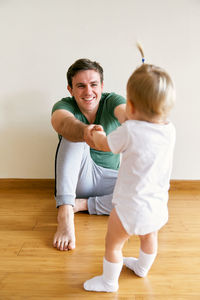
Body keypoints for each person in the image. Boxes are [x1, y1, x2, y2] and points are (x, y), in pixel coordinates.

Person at [84, 49, 176, 292]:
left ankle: (108, 282)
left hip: (129, 208)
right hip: (156, 205)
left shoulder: (131, 130)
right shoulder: (169, 130)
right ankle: (142, 268)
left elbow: (105, 146)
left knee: (113, 244)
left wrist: (99, 134)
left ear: (131, 105)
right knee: (149, 237)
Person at [51, 58, 126, 251]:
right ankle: (66, 212)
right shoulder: (63, 105)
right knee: (72, 135)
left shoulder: (113, 101)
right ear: (70, 89)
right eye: (81, 86)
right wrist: (87, 132)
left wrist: (140, 117)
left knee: (147, 193)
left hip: (110, 180)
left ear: (101, 86)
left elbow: (126, 114)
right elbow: (61, 122)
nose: (88, 92)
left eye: (93, 85)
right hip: (80, 178)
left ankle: (83, 205)